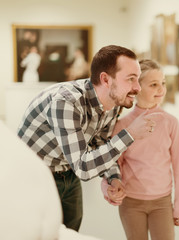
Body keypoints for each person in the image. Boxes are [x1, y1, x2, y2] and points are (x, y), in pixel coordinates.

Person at [17, 45, 159, 231]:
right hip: (35, 176)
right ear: (106, 80)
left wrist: (113, 178)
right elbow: (83, 167)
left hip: (68, 172)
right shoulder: (65, 102)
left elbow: (101, 143)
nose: (138, 88)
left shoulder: (114, 101)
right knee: (38, 234)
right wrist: (130, 134)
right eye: (131, 79)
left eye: (138, 79)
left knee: (71, 232)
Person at [101, 59, 179, 240]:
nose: (161, 89)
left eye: (163, 83)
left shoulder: (171, 123)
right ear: (137, 88)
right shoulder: (122, 125)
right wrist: (108, 188)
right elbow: (112, 163)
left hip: (162, 203)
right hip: (131, 203)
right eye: (154, 84)